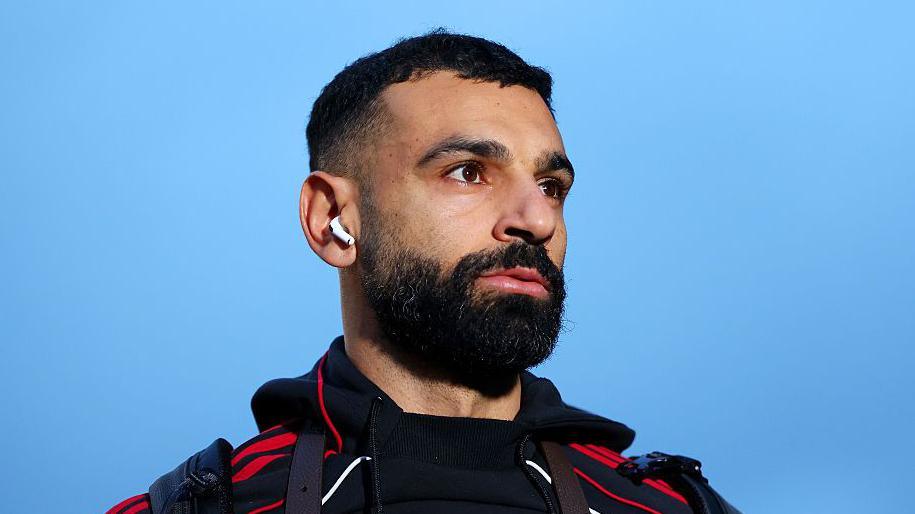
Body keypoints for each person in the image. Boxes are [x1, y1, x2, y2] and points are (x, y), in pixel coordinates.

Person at [107, 30, 738, 514]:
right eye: (468, 171)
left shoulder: (666, 506)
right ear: (332, 220)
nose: (537, 219)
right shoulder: (218, 507)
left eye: (551, 185)